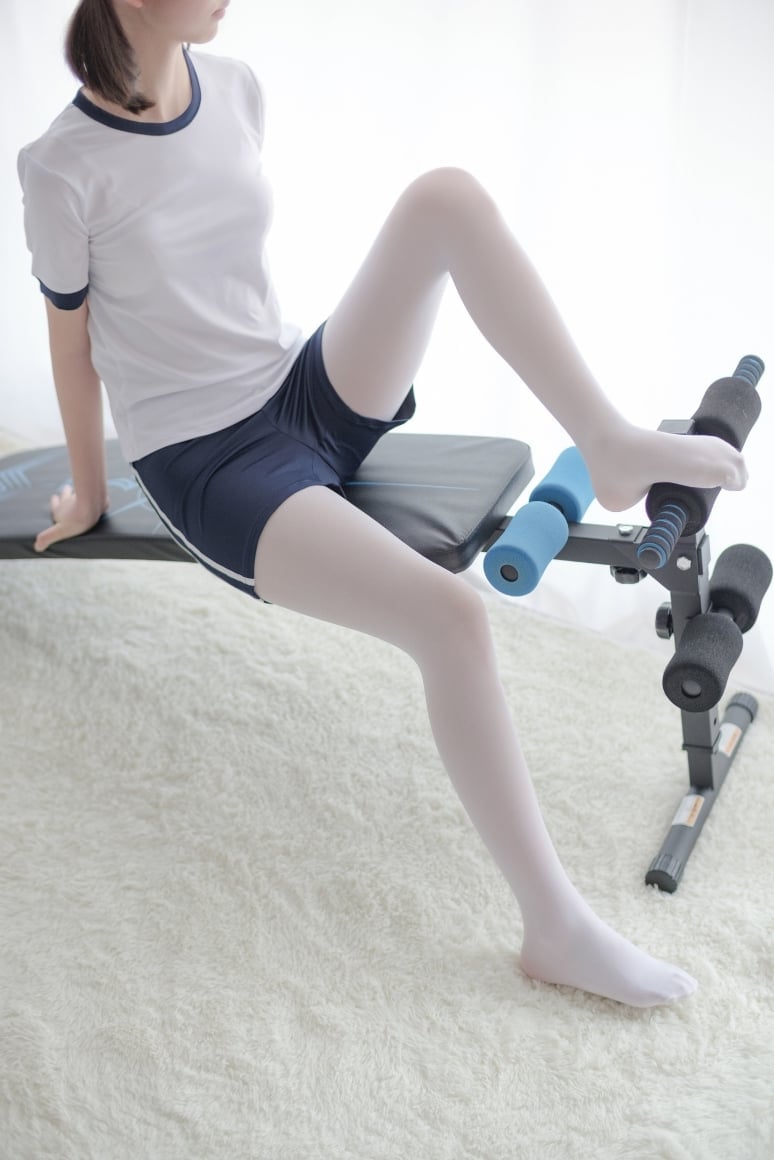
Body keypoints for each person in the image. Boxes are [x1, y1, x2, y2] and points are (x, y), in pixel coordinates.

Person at [18, 0, 747, 1007]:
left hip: (294, 388)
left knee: (444, 198)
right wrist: (92, 493)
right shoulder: (62, 167)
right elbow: (72, 345)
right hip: (207, 461)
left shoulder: (233, 87)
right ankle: (555, 925)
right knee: (450, 617)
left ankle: (608, 443)